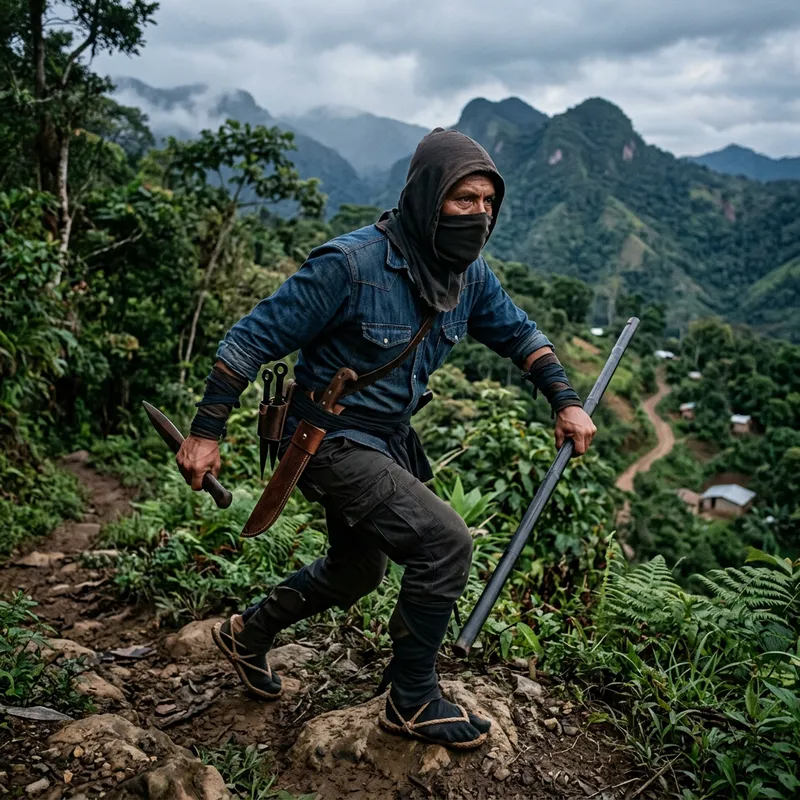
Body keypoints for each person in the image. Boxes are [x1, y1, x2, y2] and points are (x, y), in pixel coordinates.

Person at [176, 128, 596, 750]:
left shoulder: (468, 275)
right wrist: (205, 434)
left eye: (488, 202)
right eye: (464, 199)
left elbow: (520, 334)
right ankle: (412, 698)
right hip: (328, 439)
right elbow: (249, 341)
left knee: (356, 571)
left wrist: (565, 399)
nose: (479, 215)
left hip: (387, 440)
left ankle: (248, 634)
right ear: (428, 197)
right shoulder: (350, 265)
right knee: (444, 542)